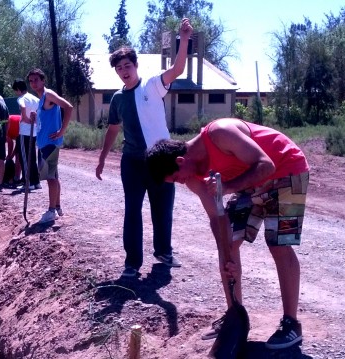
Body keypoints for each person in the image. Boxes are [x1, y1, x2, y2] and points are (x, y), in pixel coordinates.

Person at [145, 118, 310, 350]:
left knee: (278, 244)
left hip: (285, 169)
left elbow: (266, 165)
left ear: (181, 161)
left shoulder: (220, 134)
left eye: (175, 178)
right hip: (250, 181)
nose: (179, 183)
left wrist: (229, 187)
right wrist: (226, 254)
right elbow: (216, 218)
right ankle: (236, 316)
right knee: (229, 242)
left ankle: (291, 323)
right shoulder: (193, 178)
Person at [95, 18, 193, 278]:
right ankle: (132, 264)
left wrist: (183, 40)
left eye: (127, 65)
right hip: (132, 162)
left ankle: (163, 252)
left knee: (162, 209)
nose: (124, 70)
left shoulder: (152, 85)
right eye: (119, 67)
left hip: (160, 160)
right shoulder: (117, 98)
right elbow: (113, 129)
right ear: (116, 72)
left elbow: (178, 69)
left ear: (136, 65)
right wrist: (102, 158)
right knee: (132, 211)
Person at [27, 68, 73, 224]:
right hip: (44, 143)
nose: (33, 83)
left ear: (43, 80)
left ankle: (51, 210)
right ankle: (57, 207)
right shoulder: (41, 100)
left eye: (36, 80)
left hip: (50, 144)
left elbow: (69, 107)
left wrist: (62, 131)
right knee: (53, 176)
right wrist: (35, 117)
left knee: (50, 177)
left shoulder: (48, 95)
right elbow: (45, 121)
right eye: (31, 81)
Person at [12, 78, 41, 190]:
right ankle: (36, 182)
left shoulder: (22, 98)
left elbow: (23, 106)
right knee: (32, 157)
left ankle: (28, 183)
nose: (16, 93)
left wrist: (25, 118)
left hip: (24, 132)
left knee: (24, 158)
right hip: (34, 132)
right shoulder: (35, 98)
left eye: (16, 90)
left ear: (19, 89)